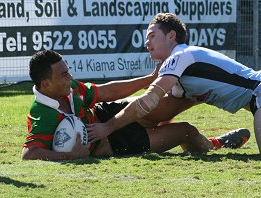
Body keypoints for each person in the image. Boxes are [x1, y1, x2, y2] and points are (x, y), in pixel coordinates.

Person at [21, 50, 249, 161]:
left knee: (163, 103)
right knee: (186, 131)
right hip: (116, 143)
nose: (70, 76)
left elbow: (108, 92)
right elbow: (29, 154)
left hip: (106, 116)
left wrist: (150, 79)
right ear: (45, 83)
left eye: (68, 70)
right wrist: (71, 156)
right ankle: (216, 144)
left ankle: (218, 93)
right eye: (63, 74)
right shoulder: (43, 112)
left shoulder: (69, 88)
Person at [87, 12, 258, 152]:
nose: (147, 43)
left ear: (171, 36)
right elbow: (168, 107)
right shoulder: (179, 73)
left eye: (152, 36)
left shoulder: (179, 56)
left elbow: (148, 100)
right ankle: (218, 144)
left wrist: (107, 127)